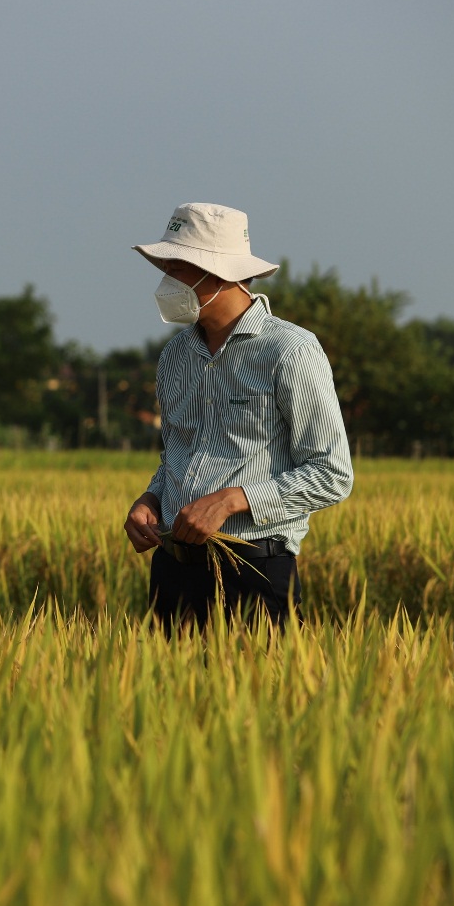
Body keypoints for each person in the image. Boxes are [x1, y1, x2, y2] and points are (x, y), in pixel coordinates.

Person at [122, 203, 353, 630]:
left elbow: (332, 473)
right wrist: (150, 500)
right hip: (172, 570)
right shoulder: (175, 355)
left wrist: (232, 499)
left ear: (218, 273)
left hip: (254, 570)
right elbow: (176, 453)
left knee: (257, 694)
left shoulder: (290, 351)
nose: (166, 280)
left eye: (177, 267)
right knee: (164, 696)